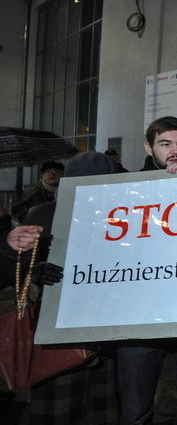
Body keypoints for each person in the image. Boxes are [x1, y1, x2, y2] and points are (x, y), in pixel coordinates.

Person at [0, 151, 119, 424]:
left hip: (103, 322)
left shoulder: (121, 214)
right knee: (58, 405)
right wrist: (36, 272)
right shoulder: (42, 213)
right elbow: (20, 269)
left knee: (100, 405)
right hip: (57, 322)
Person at [118, 116, 177, 425]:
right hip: (138, 316)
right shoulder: (127, 190)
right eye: (166, 143)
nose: (175, 150)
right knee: (135, 408)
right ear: (149, 147)